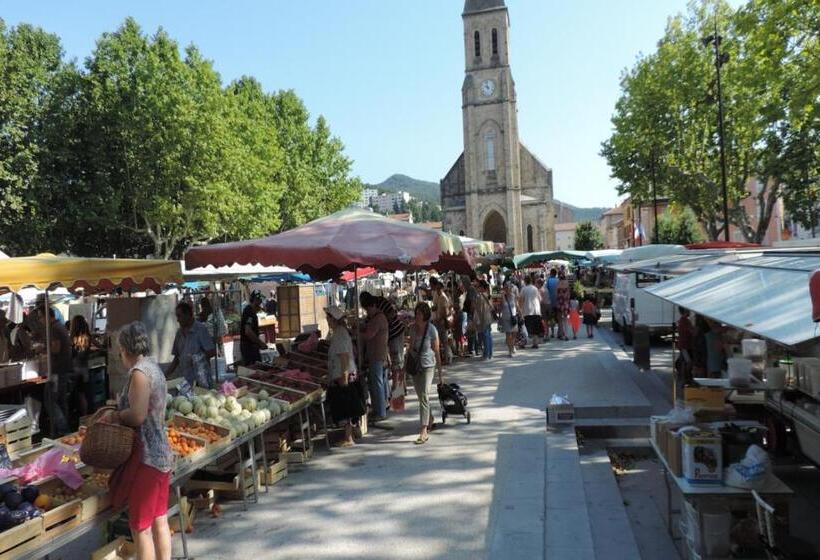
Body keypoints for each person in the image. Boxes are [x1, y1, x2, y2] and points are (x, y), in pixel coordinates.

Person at [106, 321, 173, 560]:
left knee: (140, 527)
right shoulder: (153, 368)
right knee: (159, 520)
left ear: (126, 347)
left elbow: (137, 415)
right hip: (161, 454)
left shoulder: (140, 373)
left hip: (145, 457)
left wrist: (115, 414)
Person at [324, 306, 364, 447]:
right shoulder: (339, 333)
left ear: (332, 319)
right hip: (344, 374)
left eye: (328, 317)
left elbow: (344, 358)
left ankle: (348, 438)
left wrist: (344, 377)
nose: (327, 320)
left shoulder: (340, 334)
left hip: (344, 375)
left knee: (346, 406)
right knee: (349, 406)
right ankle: (353, 433)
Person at [406, 302, 443, 445]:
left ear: (425, 315)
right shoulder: (412, 329)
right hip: (415, 366)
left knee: (424, 396)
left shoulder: (432, 330)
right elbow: (410, 349)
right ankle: (430, 418)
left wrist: (440, 374)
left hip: (428, 366)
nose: (417, 316)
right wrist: (404, 369)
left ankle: (423, 430)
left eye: (419, 314)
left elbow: (437, 351)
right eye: (416, 313)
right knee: (421, 396)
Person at [166, 302, 216, 387]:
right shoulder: (179, 333)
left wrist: (196, 357)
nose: (178, 320)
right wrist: (165, 375)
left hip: (201, 381)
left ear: (188, 315)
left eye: (179, 316)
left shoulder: (200, 329)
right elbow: (177, 358)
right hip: (185, 381)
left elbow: (212, 351)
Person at [360, 292, 390, 423]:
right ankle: (380, 409)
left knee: (377, 384)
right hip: (378, 355)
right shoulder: (376, 318)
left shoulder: (378, 318)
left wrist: (358, 332)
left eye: (367, 309)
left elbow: (369, 335)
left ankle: (381, 412)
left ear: (372, 306)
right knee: (379, 383)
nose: (367, 312)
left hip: (377, 355)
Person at [70, 315, 93, 417]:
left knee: (79, 395)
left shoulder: (73, 339)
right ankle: (85, 415)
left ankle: (83, 417)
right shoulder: (87, 337)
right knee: (84, 394)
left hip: (75, 369)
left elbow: (73, 355)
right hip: (85, 369)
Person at [239, 290, 268, 367]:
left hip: (251, 346)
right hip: (249, 347)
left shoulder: (251, 311)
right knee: (253, 369)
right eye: (259, 301)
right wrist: (260, 343)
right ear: (255, 301)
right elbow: (248, 331)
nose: (260, 303)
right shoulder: (249, 312)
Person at [430, 278, 452, 364]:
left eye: (439, 288)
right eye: (437, 288)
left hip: (442, 321)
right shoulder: (436, 294)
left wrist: (440, 318)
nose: (437, 290)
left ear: (441, 288)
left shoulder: (443, 297)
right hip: (436, 320)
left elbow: (446, 311)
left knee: (444, 341)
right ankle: (442, 358)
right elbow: (435, 306)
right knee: (439, 342)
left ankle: (447, 358)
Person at [519, 274, 543, 349]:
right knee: (535, 327)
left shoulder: (524, 289)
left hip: (528, 310)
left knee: (527, 327)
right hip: (536, 310)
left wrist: (520, 309)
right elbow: (540, 299)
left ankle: (524, 342)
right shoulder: (535, 288)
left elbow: (521, 300)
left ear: (525, 281)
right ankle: (535, 343)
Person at [474, 280, 495, 360]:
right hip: (488, 318)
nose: (477, 288)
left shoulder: (479, 297)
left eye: (478, 286)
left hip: (483, 318)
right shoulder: (488, 295)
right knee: (488, 336)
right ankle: (490, 354)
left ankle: (486, 354)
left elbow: (479, 310)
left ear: (482, 287)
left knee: (485, 336)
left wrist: (478, 320)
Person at [676, 307, 695, 387]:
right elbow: (691, 331)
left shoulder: (682, 320)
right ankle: (686, 378)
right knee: (688, 362)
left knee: (683, 361)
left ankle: (684, 378)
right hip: (685, 345)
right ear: (685, 311)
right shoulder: (685, 321)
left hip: (684, 344)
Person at [500, 282, 518, 357]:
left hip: (513, 317)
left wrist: (520, 314)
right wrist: (503, 296)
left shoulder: (514, 296)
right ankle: (510, 350)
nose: (508, 289)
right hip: (506, 317)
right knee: (508, 334)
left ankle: (512, 346)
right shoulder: (503, 296)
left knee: (514, 333)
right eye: (506, 288)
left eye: (509, 288)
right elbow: (502, 306)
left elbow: (517, 305)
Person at [555, 272, 571, 341]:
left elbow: (556, 295)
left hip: (559, 303)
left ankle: (562, 334)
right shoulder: (567, 284)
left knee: (560, 321)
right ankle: (566, 335)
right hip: (565, 304)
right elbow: (568, 295)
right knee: (565, 320)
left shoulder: (558, 284)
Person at [546, 269, 559, 338]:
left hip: (550, 302)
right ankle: (559, 333)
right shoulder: (558, 280)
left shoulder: (548, 280)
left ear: (551, 273)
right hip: (558, 302)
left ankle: (553, 333)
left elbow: (546, 290)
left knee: (551, 318)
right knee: (559, 318)